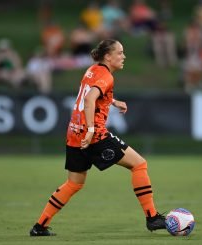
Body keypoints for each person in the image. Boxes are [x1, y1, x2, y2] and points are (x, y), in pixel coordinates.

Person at [29, 39, 166, 236]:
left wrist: (114, 101)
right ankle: (152, 218)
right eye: (119, 53)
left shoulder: (92, 69)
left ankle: (39, 226)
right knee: (139, 165)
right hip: (94, 135)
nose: (123, 56)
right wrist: (92, 130)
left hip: (74, 134)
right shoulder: (107, 76)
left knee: (74, 183)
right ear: (108, 56)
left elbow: (93, 92)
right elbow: (89, 98)